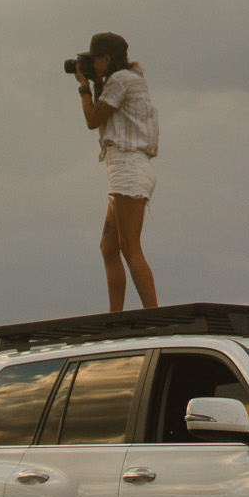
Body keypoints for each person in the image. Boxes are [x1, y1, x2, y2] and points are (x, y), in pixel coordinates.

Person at [73, 31, 159, 311]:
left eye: (94, 61)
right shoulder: (127, 79)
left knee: (129, 246)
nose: (91, 66)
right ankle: (116, 316)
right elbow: (106, 115)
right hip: (127, 168)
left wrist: (85, 88)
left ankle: (153, 315)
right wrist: (98, 83)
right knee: (109, 247)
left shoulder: (121, 81)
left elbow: (92, 118)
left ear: (107, 59)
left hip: (128, 167)